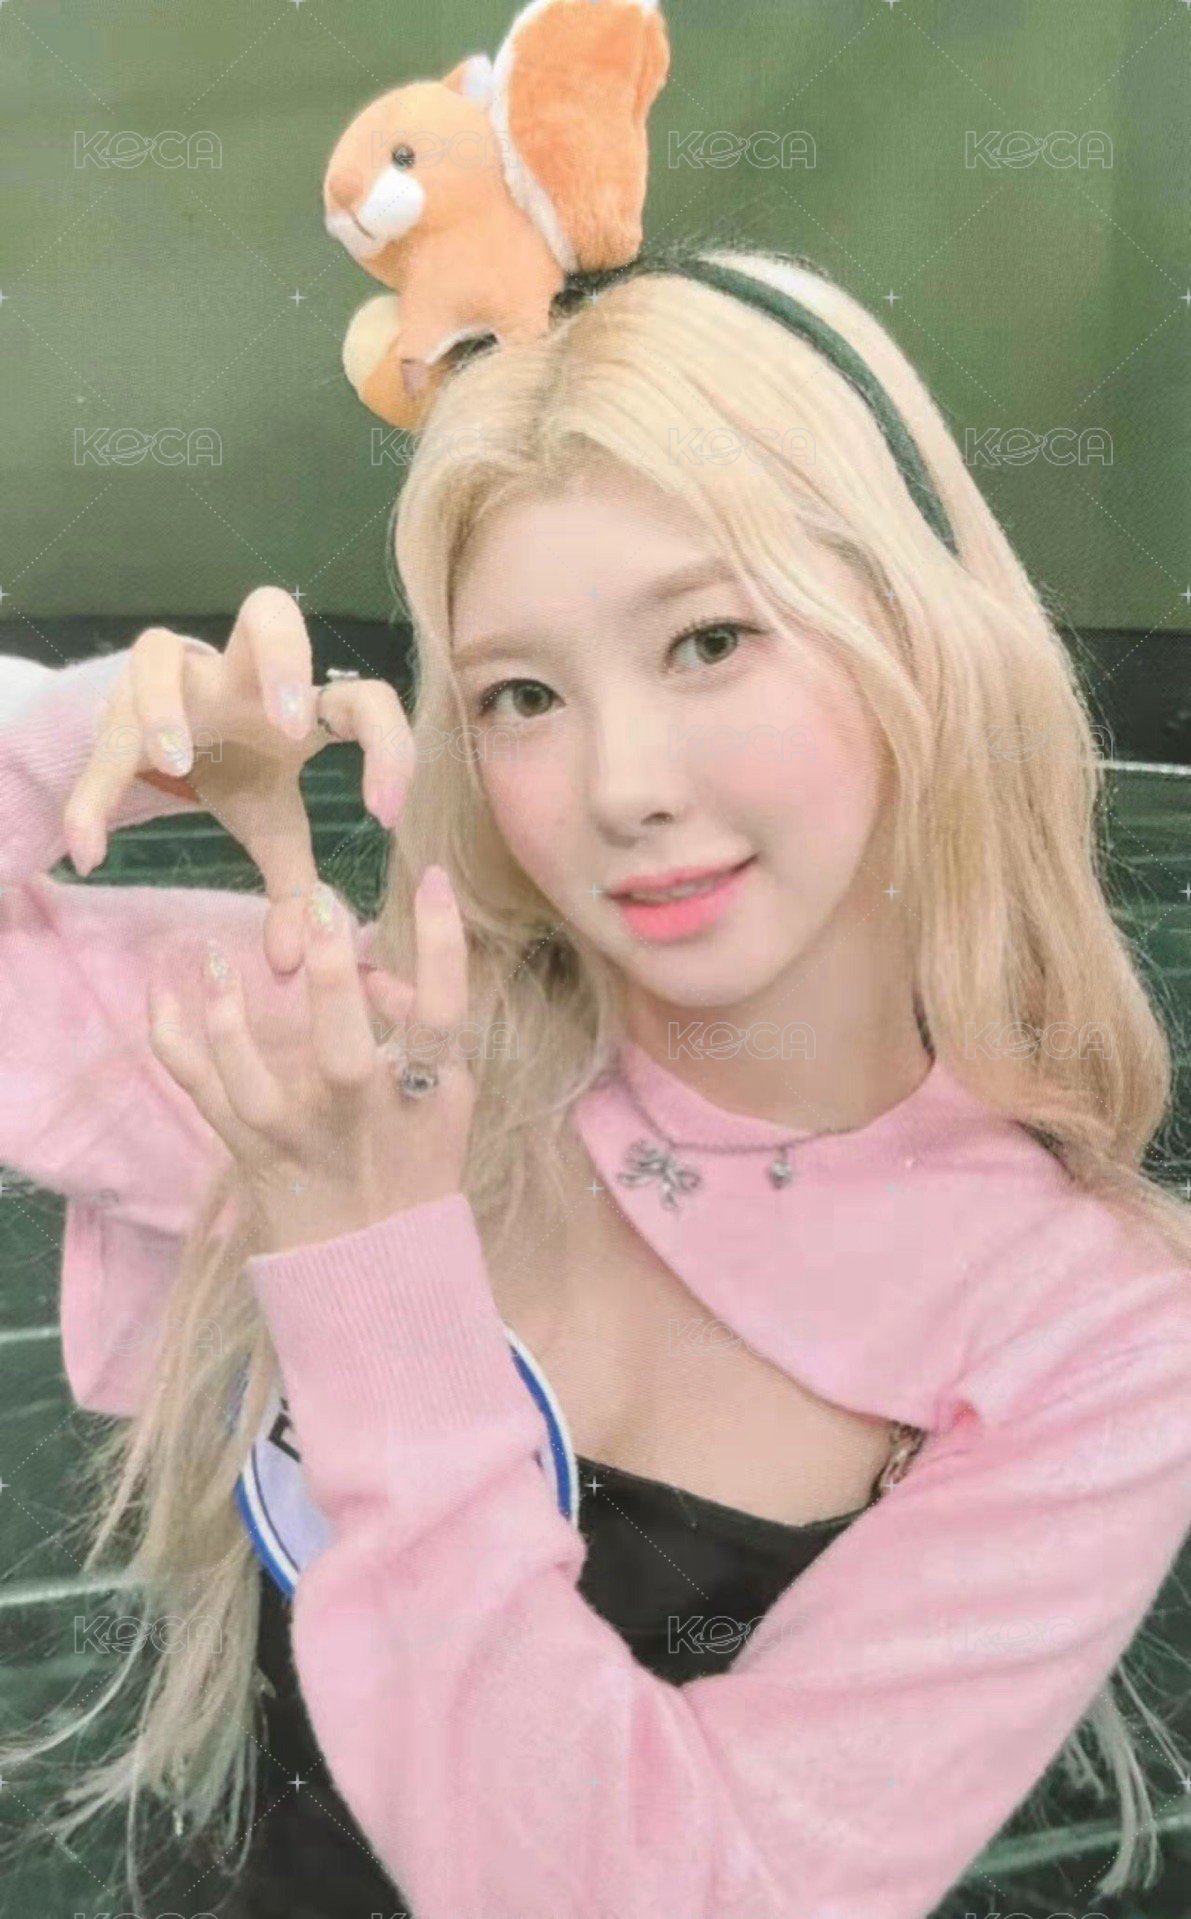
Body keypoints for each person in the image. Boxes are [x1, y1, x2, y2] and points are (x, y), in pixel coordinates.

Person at [1, 244, 1190, 1919]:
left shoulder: (1097, 1335)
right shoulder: (369, 1060)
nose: (624, 785)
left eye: (709, 639)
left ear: (920, 638)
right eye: (524, 695)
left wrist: (369, 1282)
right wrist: (108, 741)